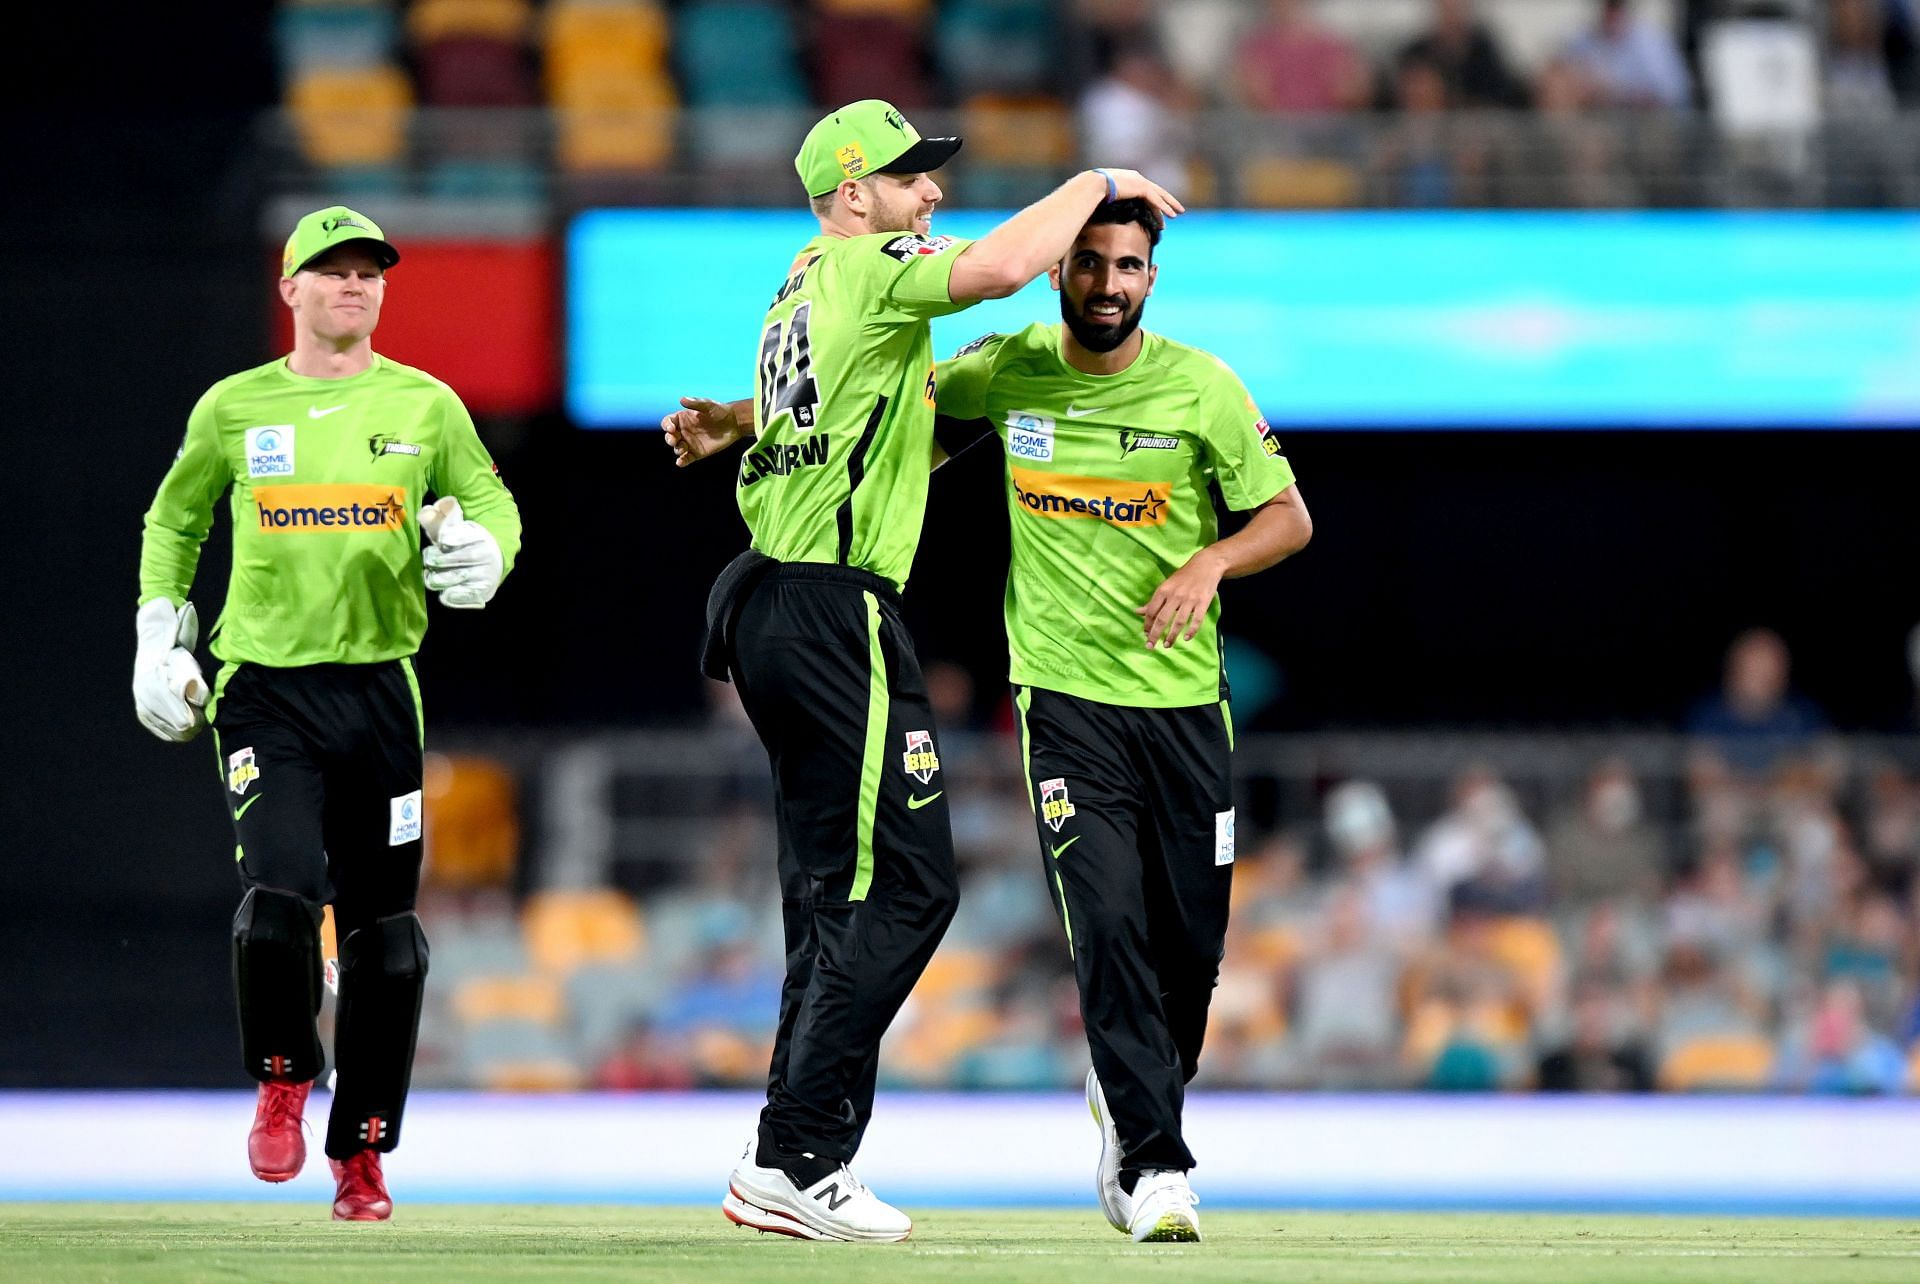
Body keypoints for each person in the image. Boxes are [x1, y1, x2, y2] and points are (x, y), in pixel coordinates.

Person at [661, 99, 1181, 1243]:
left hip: (780, 598)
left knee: (830, 897)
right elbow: (1000, 269)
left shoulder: (805, 282)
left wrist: (738, 424)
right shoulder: (866, 263)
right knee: (907, 886)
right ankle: (792, 1153)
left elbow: (876, 422)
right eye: (908, 177)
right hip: (830, 606)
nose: (930, 192)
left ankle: (802, 1157)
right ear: (853, 195)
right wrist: (1094, 182)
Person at [931, 197, 1312, 1240]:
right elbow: (887, 413)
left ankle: (1128, 1086)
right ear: (1057, 272)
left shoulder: (1202, 385)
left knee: (1191, 948)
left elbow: (1290, 516)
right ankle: (1157, 1167)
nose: (1108, 283)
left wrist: (1211, 557)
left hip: (1186, 707)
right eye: (1090, 263)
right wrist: (748, 422)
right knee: (1105, 921)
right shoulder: (1009, 367)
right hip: (1062, 703)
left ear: (1153, 277)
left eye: (1129, 266)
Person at [133, 206, 522, 1221]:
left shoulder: (426, 406)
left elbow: (491, 503)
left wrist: (488, 550)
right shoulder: (235, 406)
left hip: (381, 691)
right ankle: (283, 1076)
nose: (354, 285)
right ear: (290, 288)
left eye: (369, 273)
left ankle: (362, 1155)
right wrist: (155, 632)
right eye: (332, 270)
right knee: (281, 896)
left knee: (387, 940)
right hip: (264, 688)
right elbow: (176, 516)